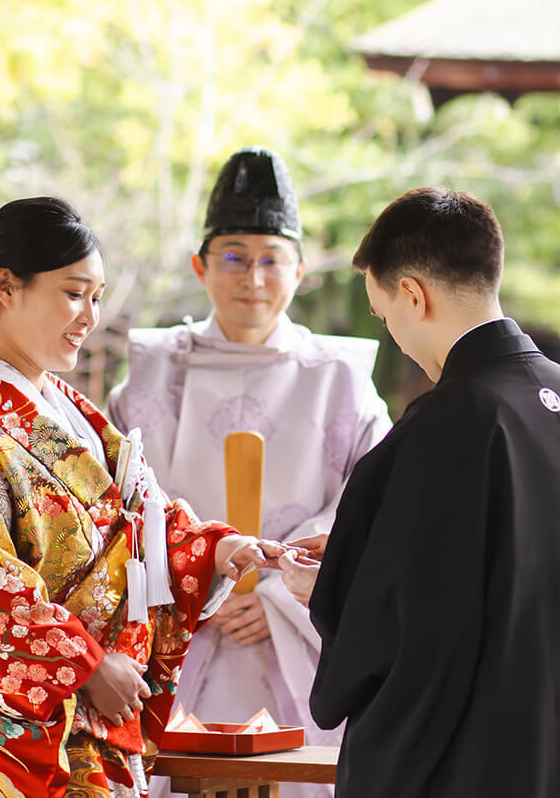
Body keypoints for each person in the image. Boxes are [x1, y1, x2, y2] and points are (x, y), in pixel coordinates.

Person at [0, 196, 284, 798]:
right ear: (5, 287)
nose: (88, 315)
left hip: (95, 711)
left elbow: (136, 524)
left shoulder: (72, 417)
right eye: (72, 293)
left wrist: (218, 549)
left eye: (96, 296)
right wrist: (83, 666)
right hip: (15, 732)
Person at [283, 186, 560, 797]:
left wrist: (328, 588)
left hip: (489, 763)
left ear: (413, 293)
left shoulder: (442, 426)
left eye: (385, 318)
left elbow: (410, 623)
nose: (396, 337)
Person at [107, 147, 391, 796]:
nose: (252, 278)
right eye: (234, 256)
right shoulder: (153, 374)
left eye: (271, 259)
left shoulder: (340, 379)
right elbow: (113, 506)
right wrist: (202, 584)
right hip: (180, 636)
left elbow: (376, 511)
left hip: (298, 638)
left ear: (301, 270)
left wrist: (283, 596)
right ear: (200, 266)